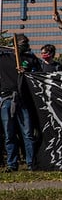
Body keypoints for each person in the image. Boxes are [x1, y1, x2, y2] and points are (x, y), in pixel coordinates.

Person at [1, 37, 40, 171]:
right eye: (21, 44)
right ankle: (12, 164)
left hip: (23, 99)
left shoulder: (30, 58)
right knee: (9, 134)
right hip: (6, 98)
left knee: (28, 133)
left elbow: (39, 75)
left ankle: (31, 163)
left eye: (26, 43)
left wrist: (28, 73)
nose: (25, 46)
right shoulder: (4, 56)